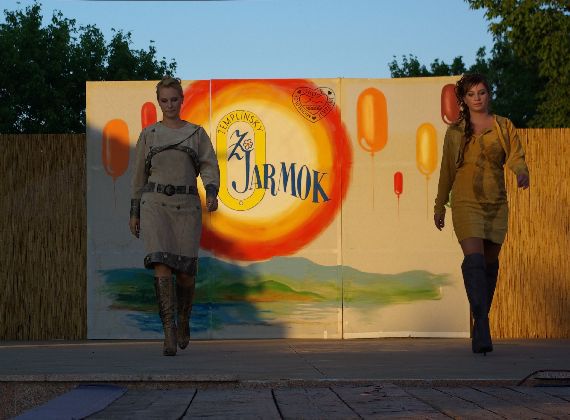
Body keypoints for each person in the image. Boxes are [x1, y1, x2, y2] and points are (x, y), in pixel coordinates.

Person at [434, 73, 529, 355]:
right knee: (474, 260)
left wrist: (521, 173)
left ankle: (480, 320)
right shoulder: (455, 132)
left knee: (489, 265)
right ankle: (483, 324)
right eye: (471, 94)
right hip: (466, 202)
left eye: (482, 93)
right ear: (463, 99)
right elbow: (447, 171)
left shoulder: (503, 126)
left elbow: (516, 156)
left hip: (496, 203)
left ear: (489, 95)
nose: (477, 98)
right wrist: (439, 205)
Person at [129, 76, 220, 356]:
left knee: (185, 273)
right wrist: (134, 212)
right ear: (159, 102)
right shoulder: (149, 134)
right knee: (161, 264)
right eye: (164, 100)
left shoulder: (195, 133)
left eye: (174, 99)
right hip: (155, 204)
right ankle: (168, 330)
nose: (169, 105)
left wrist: (212, 191)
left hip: (187, 205)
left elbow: (209, 164)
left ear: (182, 100)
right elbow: (139, 176)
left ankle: (183, 317)